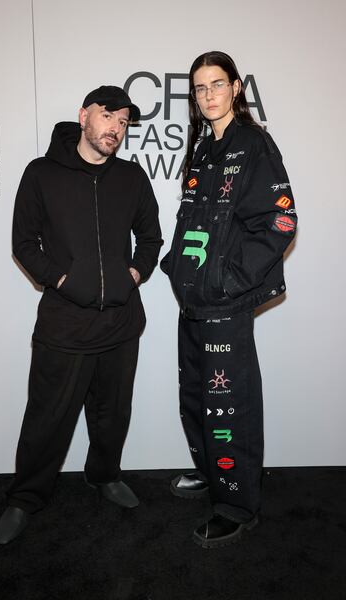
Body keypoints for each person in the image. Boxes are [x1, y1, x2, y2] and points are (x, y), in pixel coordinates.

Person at [0, 86, 163, 544]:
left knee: (113, 415)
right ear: (84, 116)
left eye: (124, 122)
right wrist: (65, 281)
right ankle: (24, 497)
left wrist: (132, 275)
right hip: (64, 325)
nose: (116, 128)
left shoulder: (131, 178)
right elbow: (24, 244)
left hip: (121, 324)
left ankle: (104, 475)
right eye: (108, 116)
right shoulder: (42, 174)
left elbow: (151, 238)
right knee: (47, 419)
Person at [161, 51, 297, 548]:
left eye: (216, 84)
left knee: (229, 406)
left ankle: (238, 504)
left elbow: (281, 222)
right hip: (193, 301)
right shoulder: (202, 147)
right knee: (195, 398)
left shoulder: (254, 144)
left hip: (225, 303)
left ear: (236, 88)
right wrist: (179, 267)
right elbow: (194, 220)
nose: (208, 95)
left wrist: (230, 280)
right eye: (199, 88)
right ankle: (212, 473)